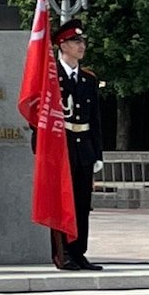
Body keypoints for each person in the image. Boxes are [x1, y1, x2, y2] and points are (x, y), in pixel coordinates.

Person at [51, 19, 104, 271]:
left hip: (83, 149)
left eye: (82, 41)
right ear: (63, 45)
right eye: (75, 41)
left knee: (82, 204)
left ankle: (79, 251)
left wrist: (97, 154)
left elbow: (95, 120)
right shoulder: (51, 77)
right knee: (62, 204)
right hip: (61, 147)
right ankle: (62, 253)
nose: (81, 45)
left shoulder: (88, 79)